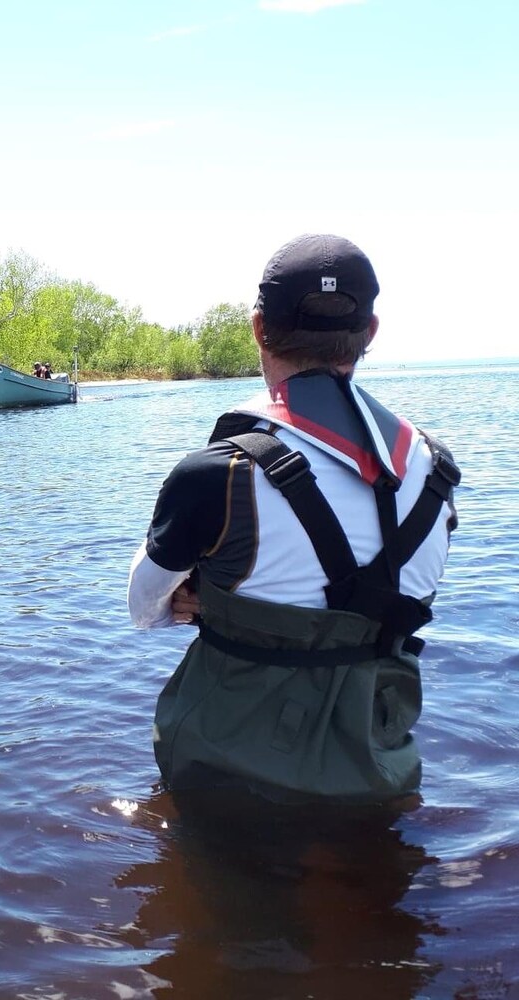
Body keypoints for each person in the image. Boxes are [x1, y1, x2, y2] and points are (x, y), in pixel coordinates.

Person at [128, 234, 460, 801]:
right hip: (381, 775)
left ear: (259, 328)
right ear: (370, 333)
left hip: (232, 778)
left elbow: (144, 609)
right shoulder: (437, 469)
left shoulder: (218, 472)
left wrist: (205, 595)